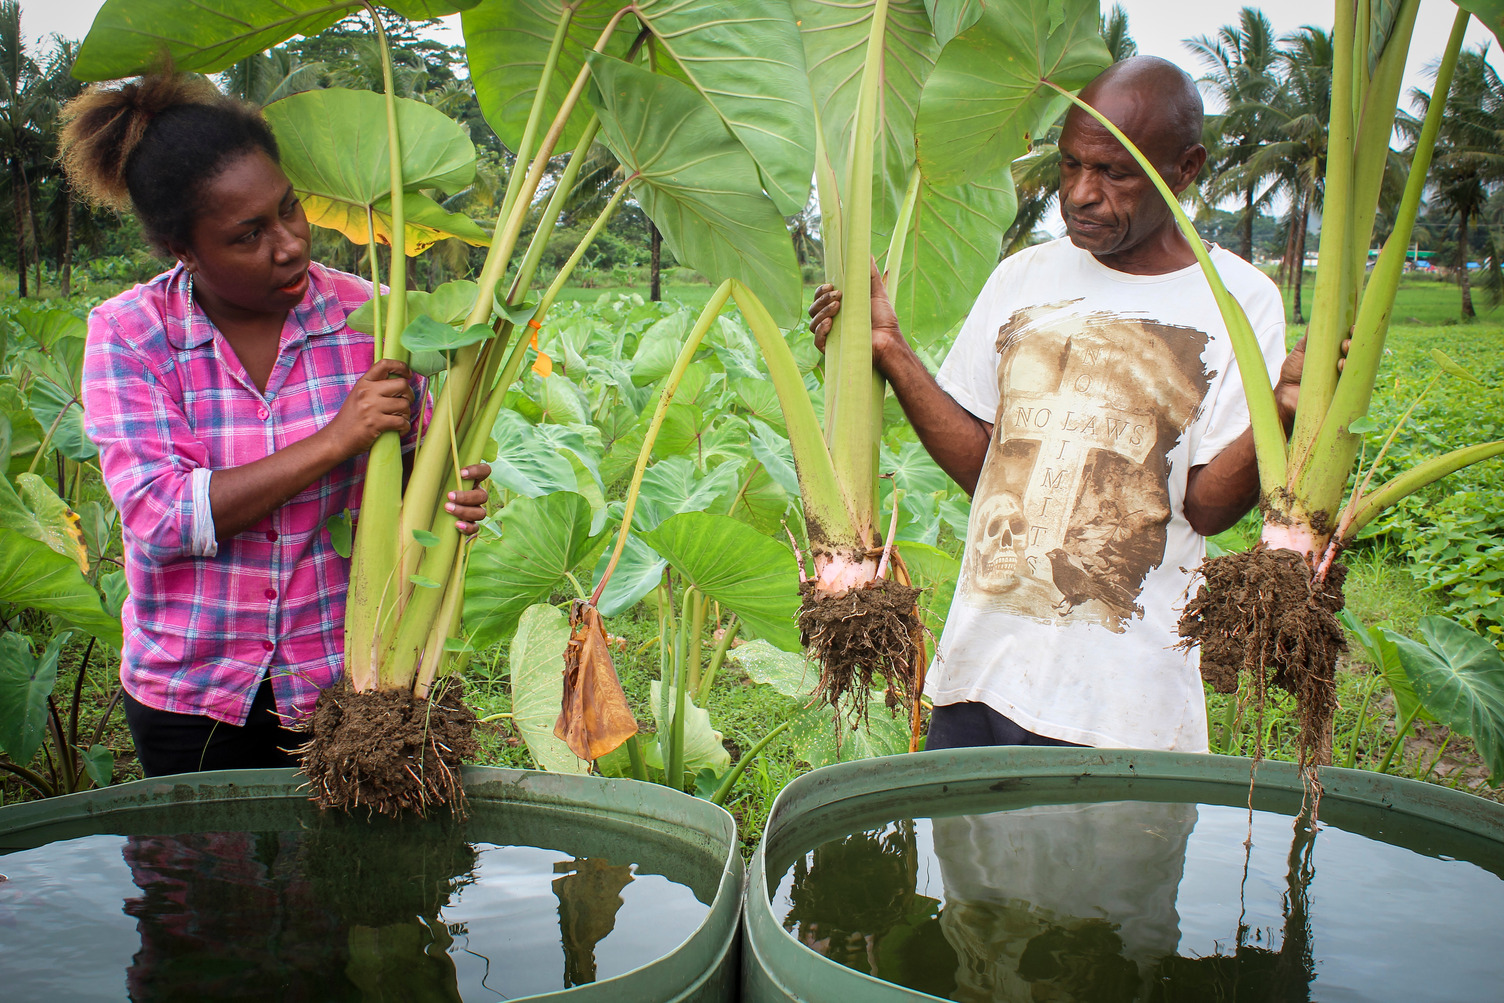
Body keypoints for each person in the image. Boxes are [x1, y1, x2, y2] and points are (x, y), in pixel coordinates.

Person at [810, 56, 1314, 753]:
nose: (1080, 193)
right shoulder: (1025, 276)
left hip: (1122, 706)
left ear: (1186, 167)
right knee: (965, 862)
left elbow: (1206, 508)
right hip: (980, 675)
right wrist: (890, 348)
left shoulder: (1239, 299)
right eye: (1071, 165)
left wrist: (1283, 408)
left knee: (1112, 867)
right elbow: (988, 462)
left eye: (1114, 172)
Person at [60, 75, 491, 777]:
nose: (288, 244)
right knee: (203, 884)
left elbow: (420, 473)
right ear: (184, 250)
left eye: (289, 210)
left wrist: (455, 491)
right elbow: (163, 516)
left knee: (342, 885)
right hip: (193, 691)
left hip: (342, 693)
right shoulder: (132, 334)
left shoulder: (374, 318)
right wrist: (334, 440)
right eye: (248, 235)